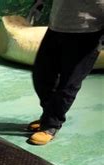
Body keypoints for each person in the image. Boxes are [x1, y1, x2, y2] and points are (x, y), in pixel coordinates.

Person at [27, 0, 103, 145]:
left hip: (88, 32)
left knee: (69, 83)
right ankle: (48, 115)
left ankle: (51, 125)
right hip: (56, 27)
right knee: (41, 75)